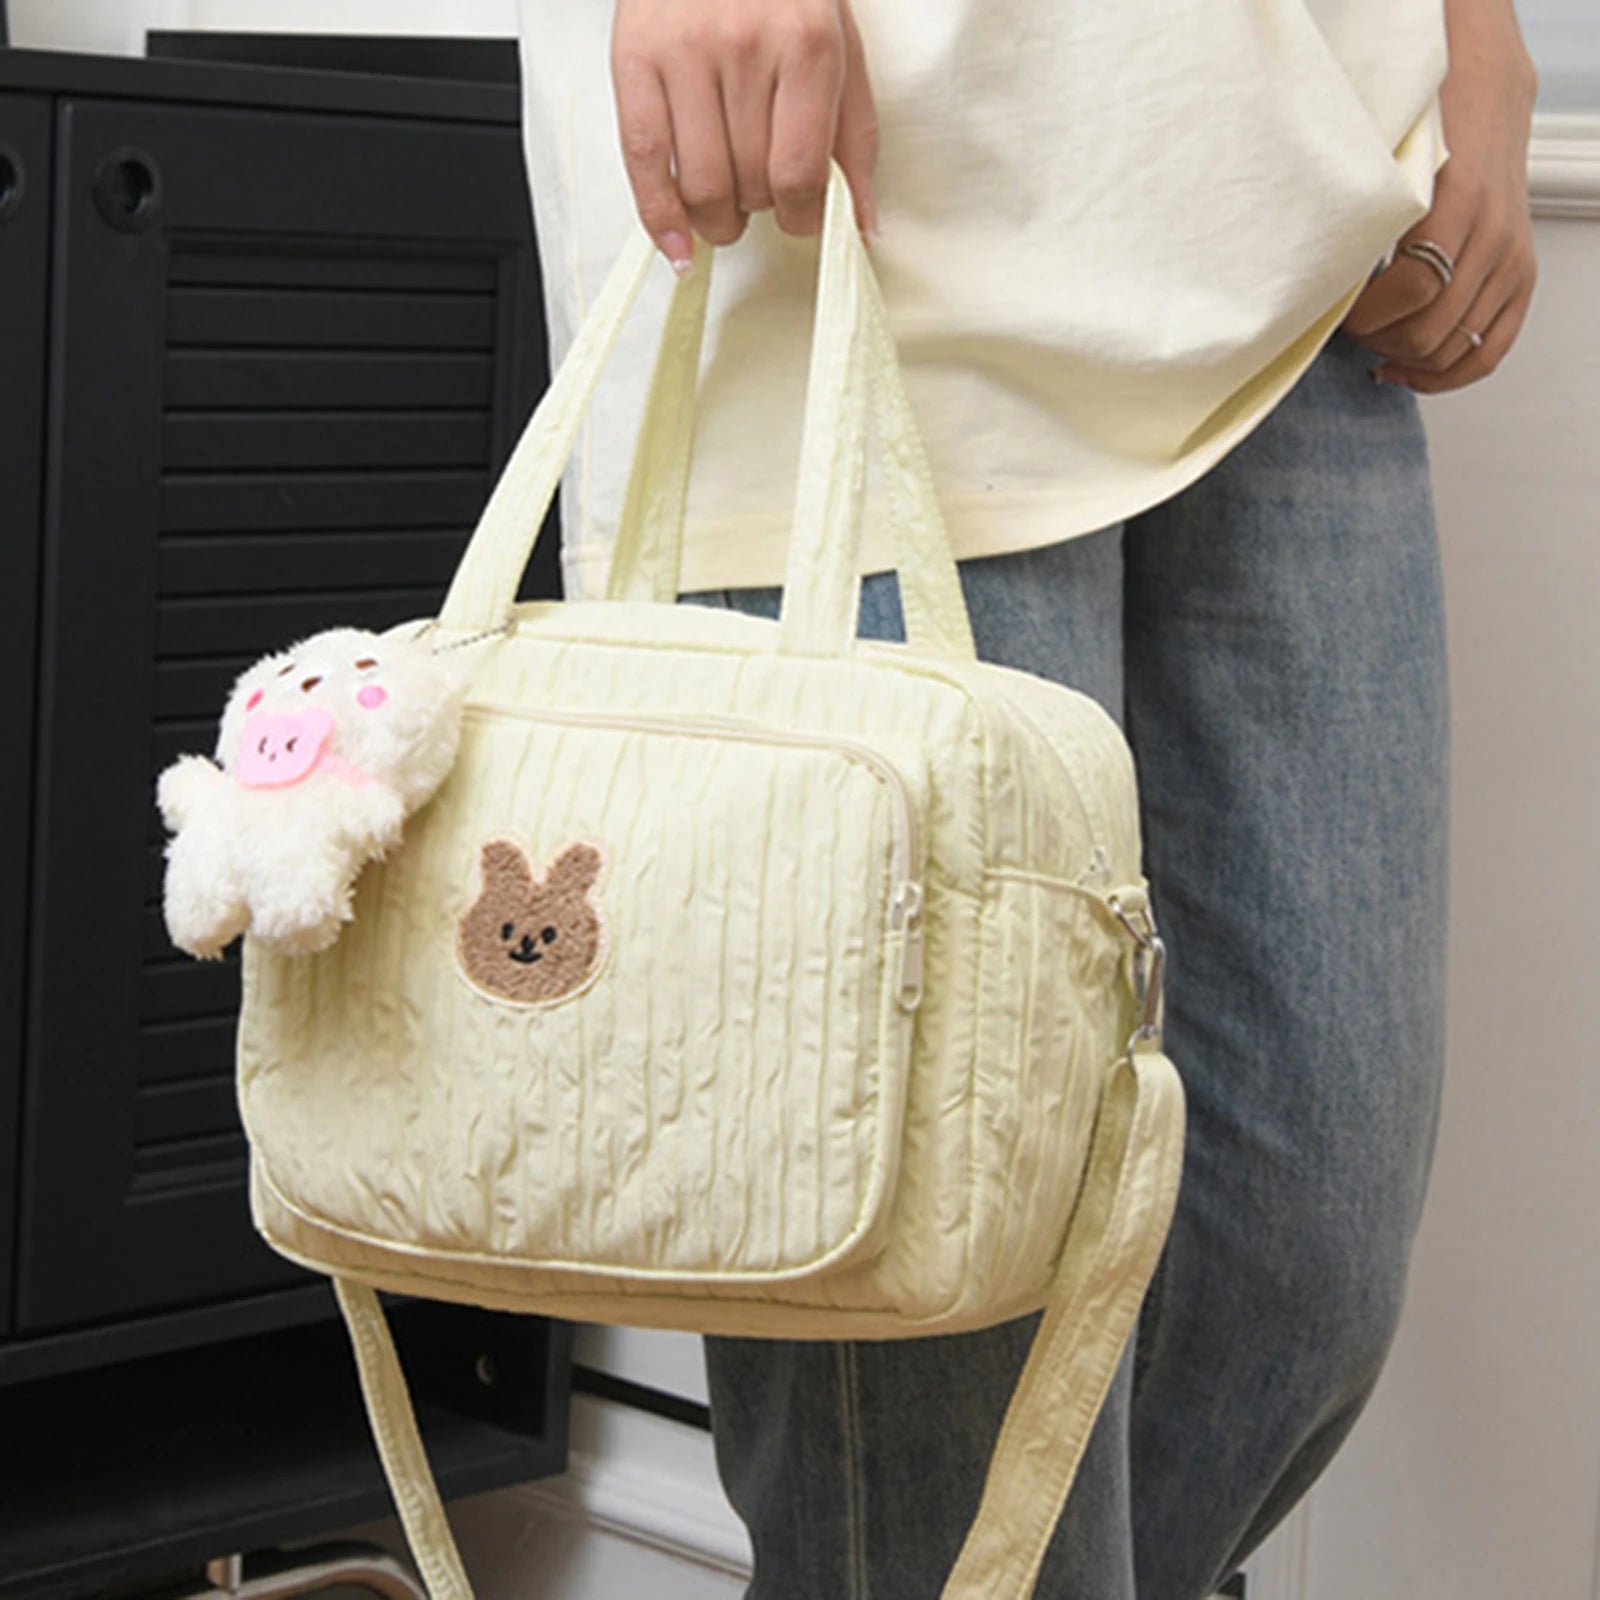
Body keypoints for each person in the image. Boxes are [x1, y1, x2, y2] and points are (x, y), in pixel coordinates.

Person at [514, 2, 1539, 1595]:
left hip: (1312, 231)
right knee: (931, 1329)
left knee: (1292, 1259)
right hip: (850, 194)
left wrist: (1482, 41)